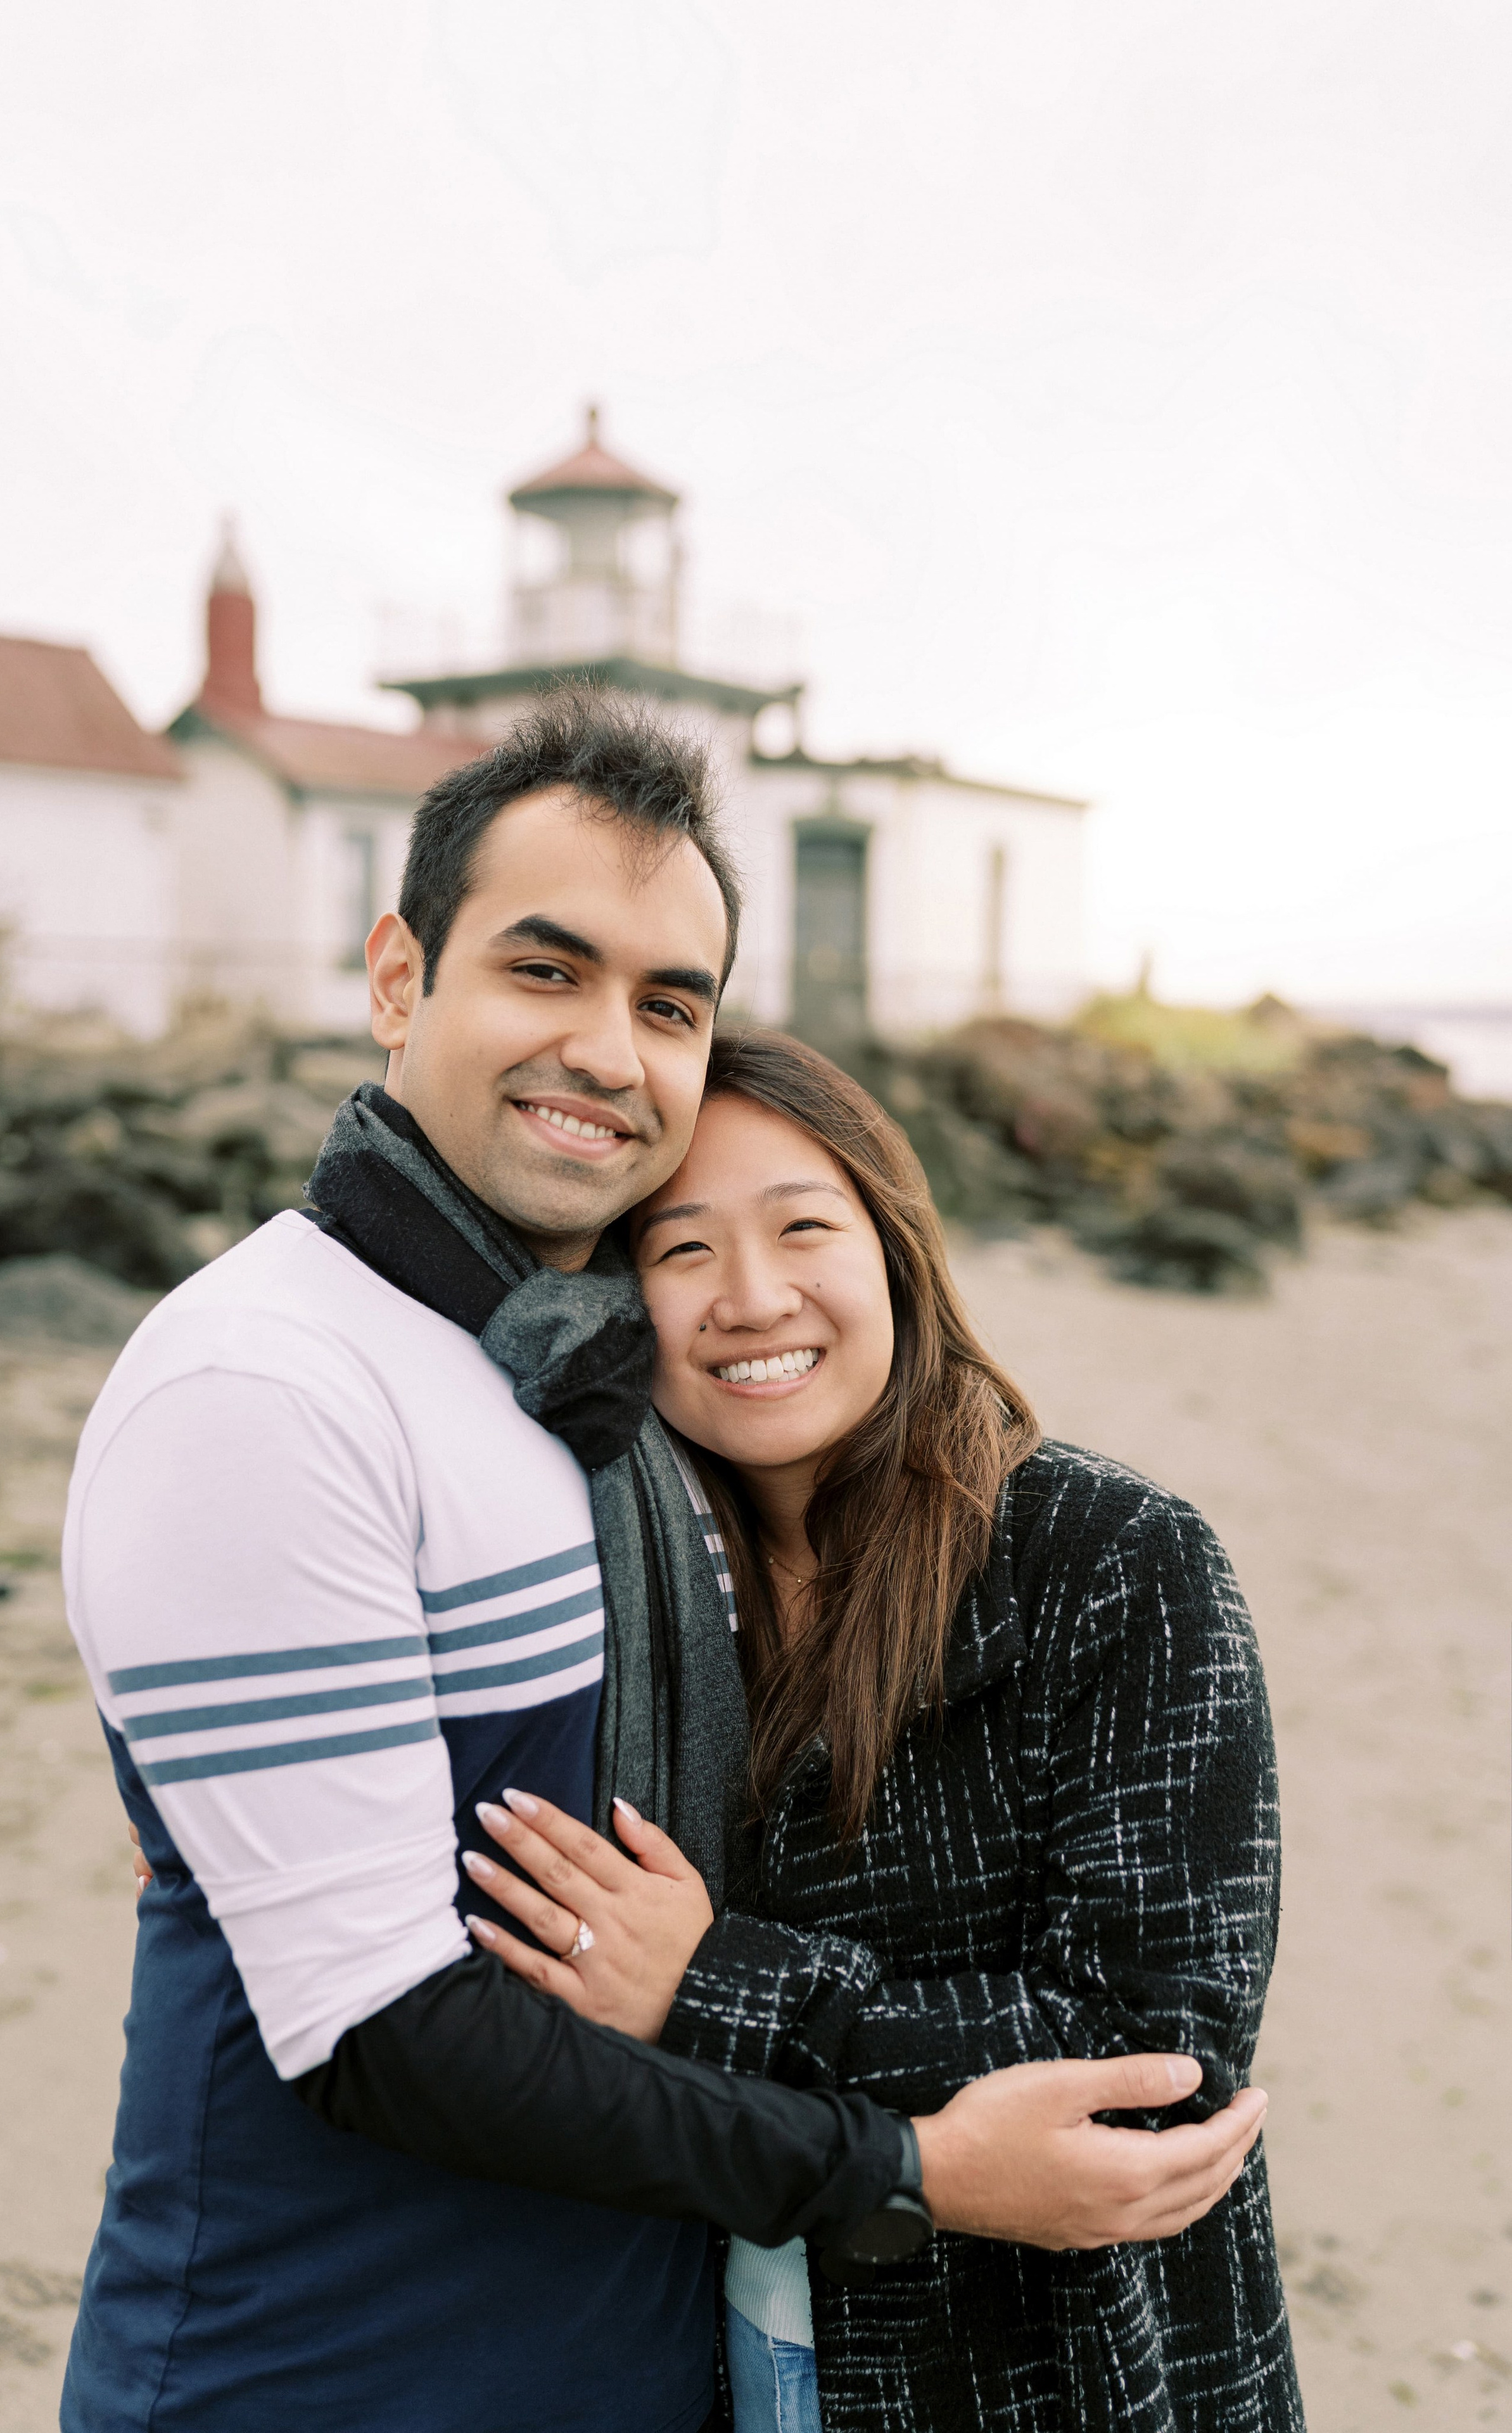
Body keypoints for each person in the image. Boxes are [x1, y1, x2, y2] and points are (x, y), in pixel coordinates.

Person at [71, 690, 1268, 2433]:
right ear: (400, 976)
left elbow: (1146, 2019)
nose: (611, 1052)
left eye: (670, 1002)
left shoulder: (602, 1398)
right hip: (335, 2372)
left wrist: (729, 1997)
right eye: (545, 972)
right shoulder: (269, 1378)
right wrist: (909, 2163)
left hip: (717, 2357)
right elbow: (383, 2017)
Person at [466, 1026, 1304, 2432]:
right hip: (708, 2338)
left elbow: (1152, 2054)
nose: (749, 1298)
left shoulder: (1110, 1560)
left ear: (894, 1252)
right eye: (678, 1253)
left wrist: (712, 1984)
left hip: (1053, 2367)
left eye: (803, 1227)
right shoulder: (615, 1577)